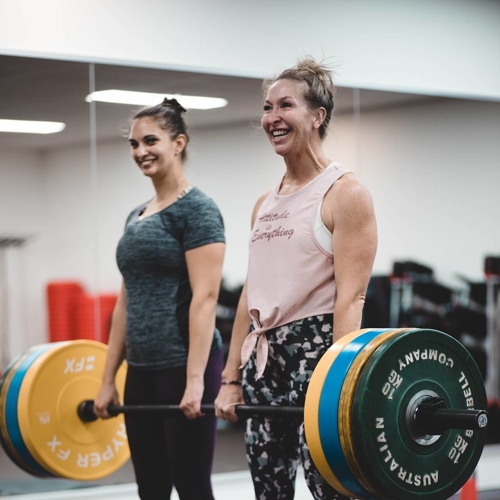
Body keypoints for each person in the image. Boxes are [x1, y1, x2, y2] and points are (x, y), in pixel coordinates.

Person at [214, 57, 377, 500]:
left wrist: (341, 383)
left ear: (318, 115)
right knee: (268, 488)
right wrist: (231, 379)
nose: (272, 118)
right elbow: (251, 294)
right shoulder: (264, 204)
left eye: (286, 105)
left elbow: (351, 298)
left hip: (316, 353)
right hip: (263, 360)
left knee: (330, 487)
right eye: (267, 108)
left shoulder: (345, 194)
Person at [94, 98, 226, 500]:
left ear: (178, 143)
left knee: (191, 486)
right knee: (150, 488)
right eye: (134, 144)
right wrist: (108, 380)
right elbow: (125, 302)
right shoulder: (135, 216)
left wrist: (194, 381)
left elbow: (205, 298)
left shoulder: (198, 210)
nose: (141, 151)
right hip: (141, 369)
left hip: (183, 365)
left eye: (150, 141)